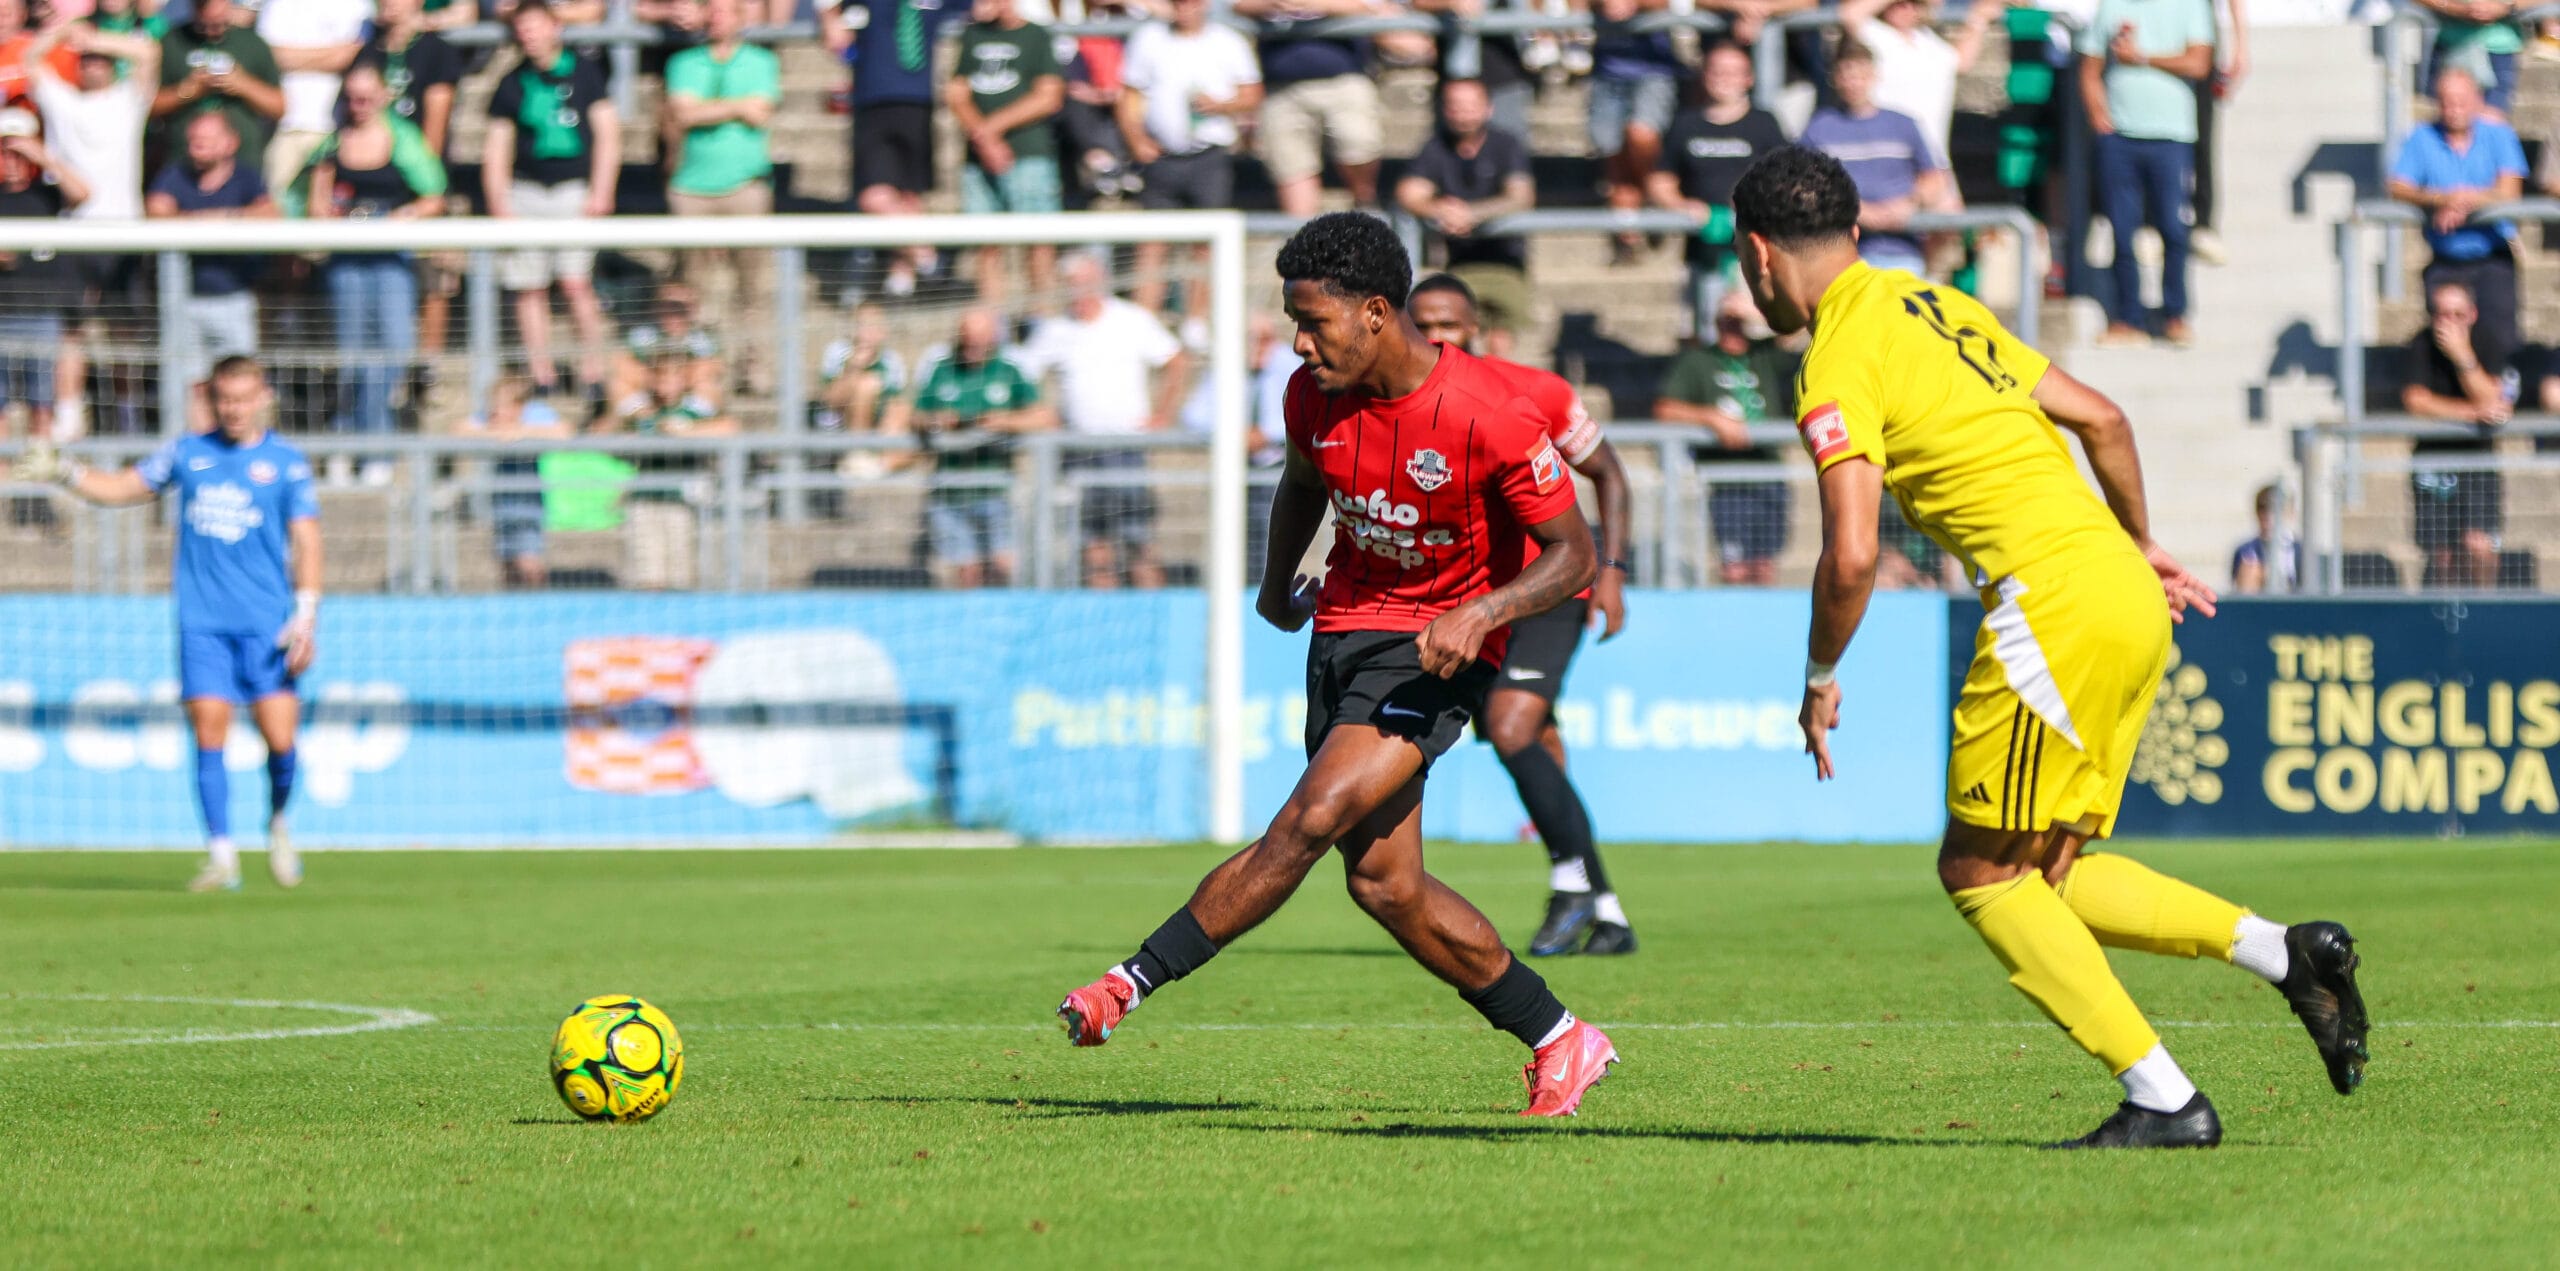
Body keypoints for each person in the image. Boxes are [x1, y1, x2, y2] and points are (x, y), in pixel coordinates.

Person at [1739, 145, 2367, 1148]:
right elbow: (2102, 418)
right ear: (1856, 235)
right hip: (2113, 583)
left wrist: (1818, 675)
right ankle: (2286, 954)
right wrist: (2140, 544)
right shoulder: (1932, 303)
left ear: (1758, 255)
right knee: (2051, 869)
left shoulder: (1834, 358)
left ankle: (2164, 1098)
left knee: (1978, 872)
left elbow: (1851, 553)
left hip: (2050, 603)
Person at [1052, 212, 1619, 1118]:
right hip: (1344, 632)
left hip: (1434, 647)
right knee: (1386, 885)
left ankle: (1125, 984)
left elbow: (1573, 555)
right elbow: (1301, 487)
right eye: (1293, 322)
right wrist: (1277, 588)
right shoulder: (1310, 394)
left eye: (1314, 322)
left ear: (1377, 313)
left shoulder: (1492, 415)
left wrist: (1483, 612)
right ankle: (1562, 1038)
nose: (1300, 342)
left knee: (1308, 819)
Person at [15, 356, 319, 894]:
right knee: (208, 731)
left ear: (262, 397)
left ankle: (277, 821)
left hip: (268, 625)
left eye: (244, 398)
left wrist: (306, 614)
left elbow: (307, 539)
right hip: (202, 623)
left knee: (281, 740)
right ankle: (221, 853)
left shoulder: (287, 464)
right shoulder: (188, 453)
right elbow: (121, 488)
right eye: (225, 398)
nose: (234, 409)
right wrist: (65, 471)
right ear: (212, 397)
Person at [1407, 273, 1638, 958]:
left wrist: (1613, 571)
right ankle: (1603, 906)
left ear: (1474, 328)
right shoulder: (1406, 406)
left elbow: (1611, 473)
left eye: (1450, 323)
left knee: (1511, 726)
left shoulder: (1531, 391)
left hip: (1548, 587)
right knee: (1535, 745)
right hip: (1472, 601)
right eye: (1427, 324)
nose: (1439, 336)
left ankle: (1573, 888)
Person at [1017, 253, 1189, 588]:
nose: (1079, 292)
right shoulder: (1055, 330)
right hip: (1080, 452)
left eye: (1085, 284)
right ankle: (1106, 628)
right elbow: (1023, 376)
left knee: (1139, 542)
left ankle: (1152, 617)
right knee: (1094, 546)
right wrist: (1045, 415)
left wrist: (1163, 414)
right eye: (1072, 285)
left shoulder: (1132, 320)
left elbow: (1176, 360)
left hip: (1127, 450)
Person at [303, 60, 447, 460]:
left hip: (389, 255)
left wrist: (403, 217)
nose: (359, 105)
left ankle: (376, 445)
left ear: (385, 96)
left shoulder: (403, 139)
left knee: (393, 346)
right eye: (352, 98)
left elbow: (433, 193)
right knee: (352, 352)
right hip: (347, 255)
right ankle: (347, 439)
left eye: (366, 97)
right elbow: (317, 201)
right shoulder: (333, 144)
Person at [484, 1, 619, 404]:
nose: (529, 35)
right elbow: (497, 147)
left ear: (555, 27)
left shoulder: (585, 73)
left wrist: (601, 189)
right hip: (526, 193)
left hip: (572, 190)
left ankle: (593, 369)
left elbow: (608, 133)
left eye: (536, 26)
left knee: (576, 283)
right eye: (522, 28)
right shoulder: (511, 83)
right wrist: (499, 202)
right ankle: (540, 373)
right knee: (529, 288)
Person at [2077, 0, 2214, 347]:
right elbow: (2089, 68)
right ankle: (2128, 319)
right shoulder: (2111, 7)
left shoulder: (2192, 6)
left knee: (2174, 228)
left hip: (2171, 138)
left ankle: (2175, 315)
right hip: (2120, 139)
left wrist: (2141, 57)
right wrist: (2098, 116)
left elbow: (2199, 62)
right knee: (2122, 232)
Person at [1116, 0, 1261, 318]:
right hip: (1161, 157)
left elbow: (1252, 93)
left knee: (1205, 245)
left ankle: (1196, 323)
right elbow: (1128, 96)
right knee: (1152, 245)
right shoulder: (1148, 38)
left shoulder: (1227, 41)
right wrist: (1136, 141)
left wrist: (1220, 106)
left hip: (1209, 158)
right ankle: (1146, 321)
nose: (1184, 7)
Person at [663, 0, 781, 384]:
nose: (718, 17)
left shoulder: (762, 62)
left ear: (741, 17)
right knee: (691, 287)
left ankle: (754, 365)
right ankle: (695, 370)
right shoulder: (682, 63)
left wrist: (706, 108)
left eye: (726, 9)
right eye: (711, 9)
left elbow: (760, 112)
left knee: (752, 288)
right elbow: (683, 114)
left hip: (745, 186)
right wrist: (737, 107)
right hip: (691, 188)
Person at [1653, 287, 1795, 586]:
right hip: (1727, 479)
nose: (1733, 324)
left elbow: (1798, 328)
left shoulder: (1764, 354)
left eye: (1737, 318)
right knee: (1734, 567)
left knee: (1764, 566)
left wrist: (1759, 311)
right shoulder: (1699, 361)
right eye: (1726, 317)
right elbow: (1665, 408)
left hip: (1769, 473)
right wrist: (1710, 417)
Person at [1651, 40, 1789, 340]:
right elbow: (1660, 181)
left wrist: (1755, 204)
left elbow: (1788, 177)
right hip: (1703, 251)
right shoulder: (1685, 123)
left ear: (1748, 78)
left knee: (1758, 334)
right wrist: (1682, 206)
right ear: (1704, 75)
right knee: (1701, 334)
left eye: (1733, 72)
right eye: (1717, 71)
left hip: (1756, 252)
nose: (1724, 79)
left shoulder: (1764, 123)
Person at [2385, 68, 2527, 360]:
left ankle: (2496, 404)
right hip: (2446, 260)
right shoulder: (2422, 137)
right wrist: (2440, 198)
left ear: (2477, 100)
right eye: (2447, 102)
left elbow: (2510, 191)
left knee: (2502, 348)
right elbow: (2398, 187)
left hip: (2493, 257)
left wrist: (2466, 200)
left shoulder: (2498, 135)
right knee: (2446, 346)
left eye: (2461, 101)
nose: (2454, 110)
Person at [911, 308, 1052, 587]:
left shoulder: (1009, 369)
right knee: (967, 572)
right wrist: (937, 421)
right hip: (950, 489)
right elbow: (914, 415)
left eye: (980, 340)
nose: (972, 347)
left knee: (1003, 567)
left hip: (997, 486)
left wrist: (1004, 421)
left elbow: (1045, 417)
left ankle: (1005, 621)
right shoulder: (942, 368)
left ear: (993, 338)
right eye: (968, 340)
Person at [146, 111, 275, 415]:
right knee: (189, 384)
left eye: (206, 140)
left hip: (234, 299)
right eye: (193, 141)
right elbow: (155, 213)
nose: (197, 147)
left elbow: (270, 214)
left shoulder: (247, 178)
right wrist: (208, 221)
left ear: (231, 143)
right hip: (184, 301)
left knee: (240, 382)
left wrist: (221, 218)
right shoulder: (175, 175)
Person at [1396, 79, 1534, 362]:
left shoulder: (1506, 144)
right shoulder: (1436, 147)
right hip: (1458, 264)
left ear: (1488, 108)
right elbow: (1408, 193)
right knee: (1456, 349)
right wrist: (1439, 209)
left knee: (1500, 350)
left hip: (1506, 261)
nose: (1463, 113)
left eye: (1471, 106)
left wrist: (1472, 214)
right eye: (1455, 106)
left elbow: (1521, 196)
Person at [835, 0, 966, 296]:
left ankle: (901, 276)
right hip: (873, 103)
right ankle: (929, 258)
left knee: (909, 196)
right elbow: (835, 25)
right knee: (875, 196)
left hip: (918, 103)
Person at [2398, 280, 2515, 590]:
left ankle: (2486, 616)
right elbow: (2416, 400)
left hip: (2478, 460)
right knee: (2444, 556)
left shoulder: (2488, 342)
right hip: (2433, 459)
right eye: (2441, 314)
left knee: (2479, 545)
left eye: (2456, 314)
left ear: (2472, 314)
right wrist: (2472, 413)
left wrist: (2462, 355)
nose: (2447, 323)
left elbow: (2493, 397)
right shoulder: (2421, 343)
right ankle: (2449, 626)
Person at [1799, 40, 1952, 278]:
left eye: (1860, 75)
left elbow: (1935, 178)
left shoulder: (1903, 123)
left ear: (1874, 75)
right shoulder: (1819, 128)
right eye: (1846, 75)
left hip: (1905, 253)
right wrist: (1855, 210)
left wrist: (1909, 204)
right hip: (1841, 257)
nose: (1854, 83)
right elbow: (1803, 186)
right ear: (1835, 78)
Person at [948, 0, 1063, 307]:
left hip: (1028, 154)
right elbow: (957, 93)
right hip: (979, 159)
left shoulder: (1036, 35)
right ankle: (992, 325)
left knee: (1037, 244)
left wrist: (991, 130)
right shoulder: (972, 35)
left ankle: (1042, 319)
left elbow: (1048, 96)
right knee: (986, 245)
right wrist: (985, 139)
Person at [1230, 0, 1388, 216]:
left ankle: (1364, 202)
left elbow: (1370, 7)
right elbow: (1236, 6)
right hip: (1281, 86)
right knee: (1291, 166)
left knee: (1357, 143)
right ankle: (1303, 237)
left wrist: (1315, 4)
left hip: (1343, 77)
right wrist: (1273, 3)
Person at [597, 345, 736, 591]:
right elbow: (603, 434)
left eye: (673, 377)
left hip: (681, 500)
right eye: (660, 377)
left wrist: (685, 432)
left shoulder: (696, 409)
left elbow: (730, 428)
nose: (665, 385)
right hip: (645, 500)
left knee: (680, 575)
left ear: (685, 380)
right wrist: (627, 426)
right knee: (648, 575)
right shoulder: (640, 410)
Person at [0, 106, 86, 440]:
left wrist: (43, 157)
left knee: (42, 403)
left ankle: (41, 480)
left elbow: (83, 192)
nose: (12, 161)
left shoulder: (47, 195)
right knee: (2, 404)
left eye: (18, 153)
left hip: (41, 313)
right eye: (6, 153)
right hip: (3, 313)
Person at [1838, 0, 2002, 171]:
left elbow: (1960, 62)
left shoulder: (1927, 40)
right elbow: (1850, 14)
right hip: (1892, 157)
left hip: (1934, 157)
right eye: (1899, 3)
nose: (1906, 8)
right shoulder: (1876, 35)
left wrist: (1978, 19)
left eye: (1914, 3)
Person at [1588, 0, 1682, 265]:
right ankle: (1630, 235)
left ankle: (1650, 198)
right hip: (1606, 72)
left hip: (1653, 70)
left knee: (1640, 135)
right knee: (1614, 158)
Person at [152, 0, 284, 174]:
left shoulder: (253, 43)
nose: (213, 30)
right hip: (184, 164)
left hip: (242, 164)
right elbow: (152, 106)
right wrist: (189, 90)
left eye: (218, 23)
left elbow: (279, 107)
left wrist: (243, 85)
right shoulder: (173, 41)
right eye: (206, 25)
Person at [255, 0, 369, 195]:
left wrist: (291, 58)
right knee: (276, 204)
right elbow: (267, 56)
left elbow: (351, 55)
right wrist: (331, 55)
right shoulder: (277, 5)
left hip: (333, 128)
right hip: (283, 128)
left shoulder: (357, 5)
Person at [470, 375, 569, 589]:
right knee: (506, 562)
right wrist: (493, 433)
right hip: (501, 506)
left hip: (528, 504)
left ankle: (538, 602)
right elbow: (459, 430)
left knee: (529, 560)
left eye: (502, 405)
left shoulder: (534, 416)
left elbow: (563, 432)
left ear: (519, 406)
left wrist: (519, 433)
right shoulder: (490, 420)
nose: (496, 411)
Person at [363, 0, 463, 156]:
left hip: (414, 161)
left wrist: (427, 169)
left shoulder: (436, 51)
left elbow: (436, 123)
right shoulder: (369, 51)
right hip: (372, 158)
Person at [2415, 0, 2523, 118]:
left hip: (2499, 50)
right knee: (2447, 118)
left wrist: (2505, 7)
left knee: (2491, 118)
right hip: (2450, 46)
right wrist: (2455, 8)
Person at [2228, 482, 2295, 594]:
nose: (2268, 515)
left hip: (2294, 607)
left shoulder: (2299, 550)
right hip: (2258, 607)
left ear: (2289, 512)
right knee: (2250, 571)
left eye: (2275, 509)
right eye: (2262, 508)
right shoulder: (2244, 550)